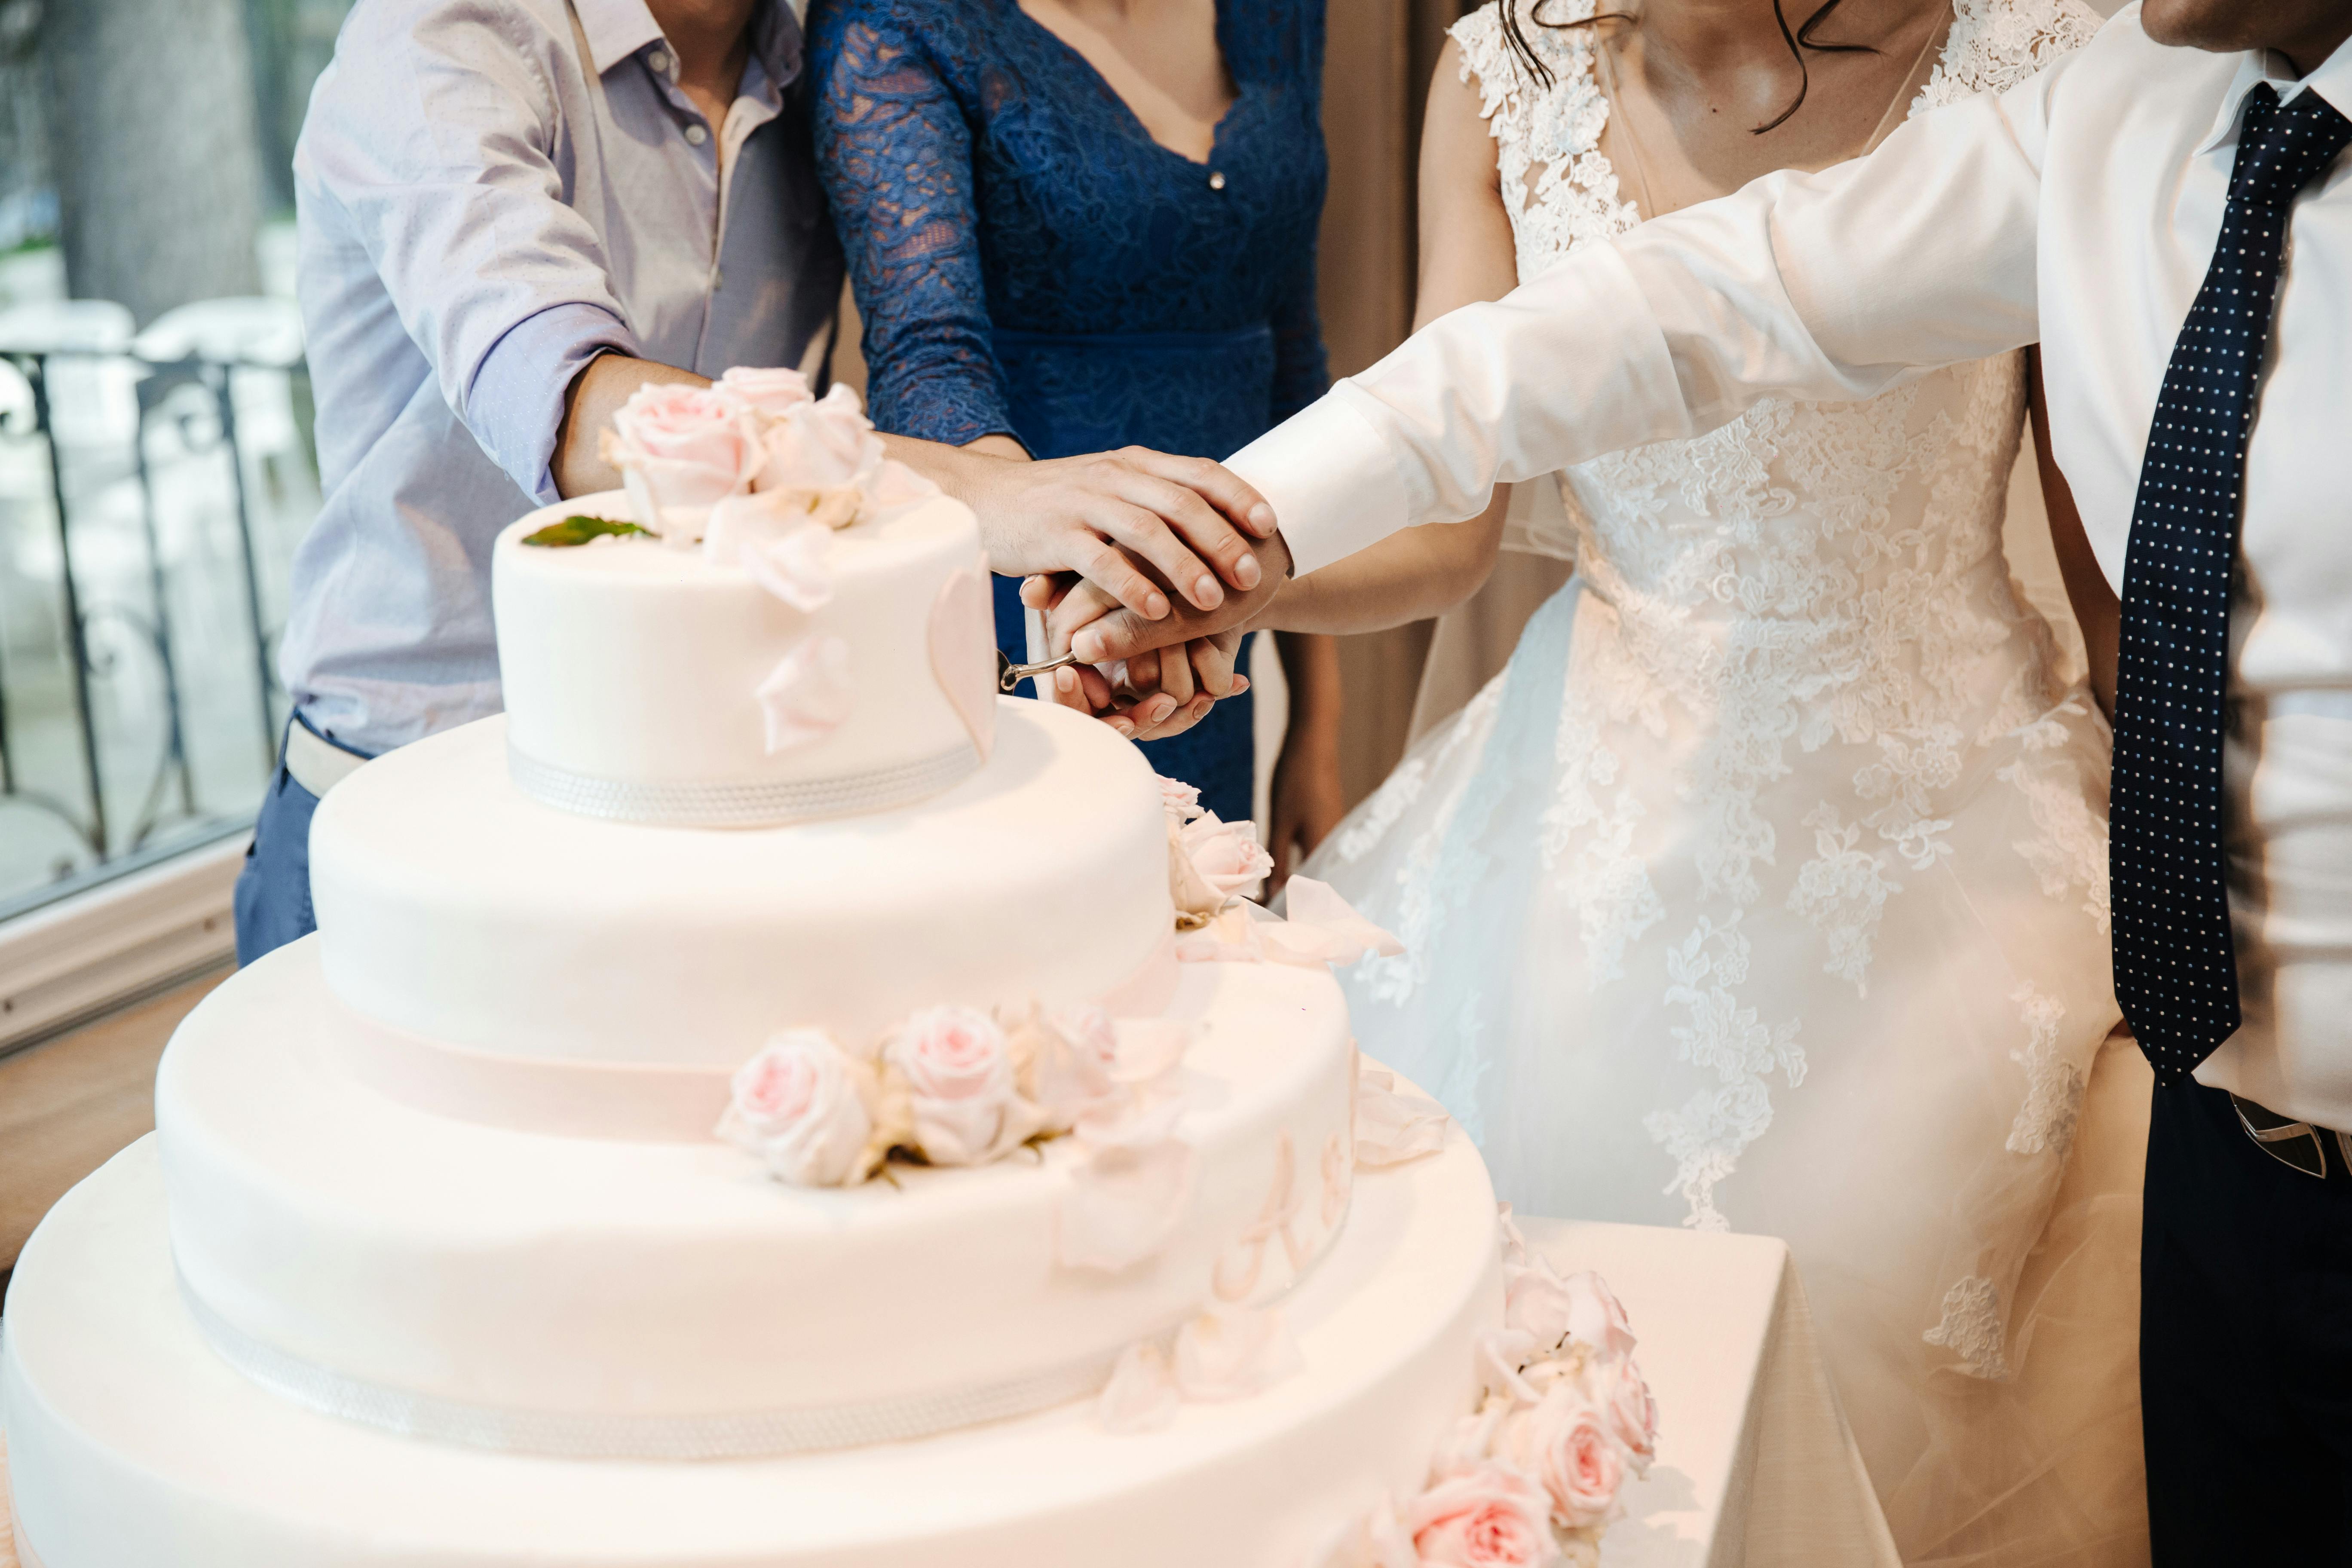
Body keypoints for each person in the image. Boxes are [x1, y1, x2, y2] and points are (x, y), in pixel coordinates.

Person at [1064, 0, 2352, 1557]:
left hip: (1964, 827)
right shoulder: (2125, 108)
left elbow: (2119, 558)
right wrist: (1244, 528)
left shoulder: (2044, 57)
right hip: (2220, 1138)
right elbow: (1692, 305)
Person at [242, 0, 1275, 964]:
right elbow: (580, 413)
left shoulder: (824, 56)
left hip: (707, 808)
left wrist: (1070, 612)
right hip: (411, 813)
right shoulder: (434, 42)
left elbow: (919, 366)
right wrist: (986, 498)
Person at [806, 0, 1348, 845]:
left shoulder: (1278, 14)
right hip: (1031, 615)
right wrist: (1089, 593)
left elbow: (1293, 359)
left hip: (1218, 614)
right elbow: (930, 360)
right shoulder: (899, 20)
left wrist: (1320, 719)